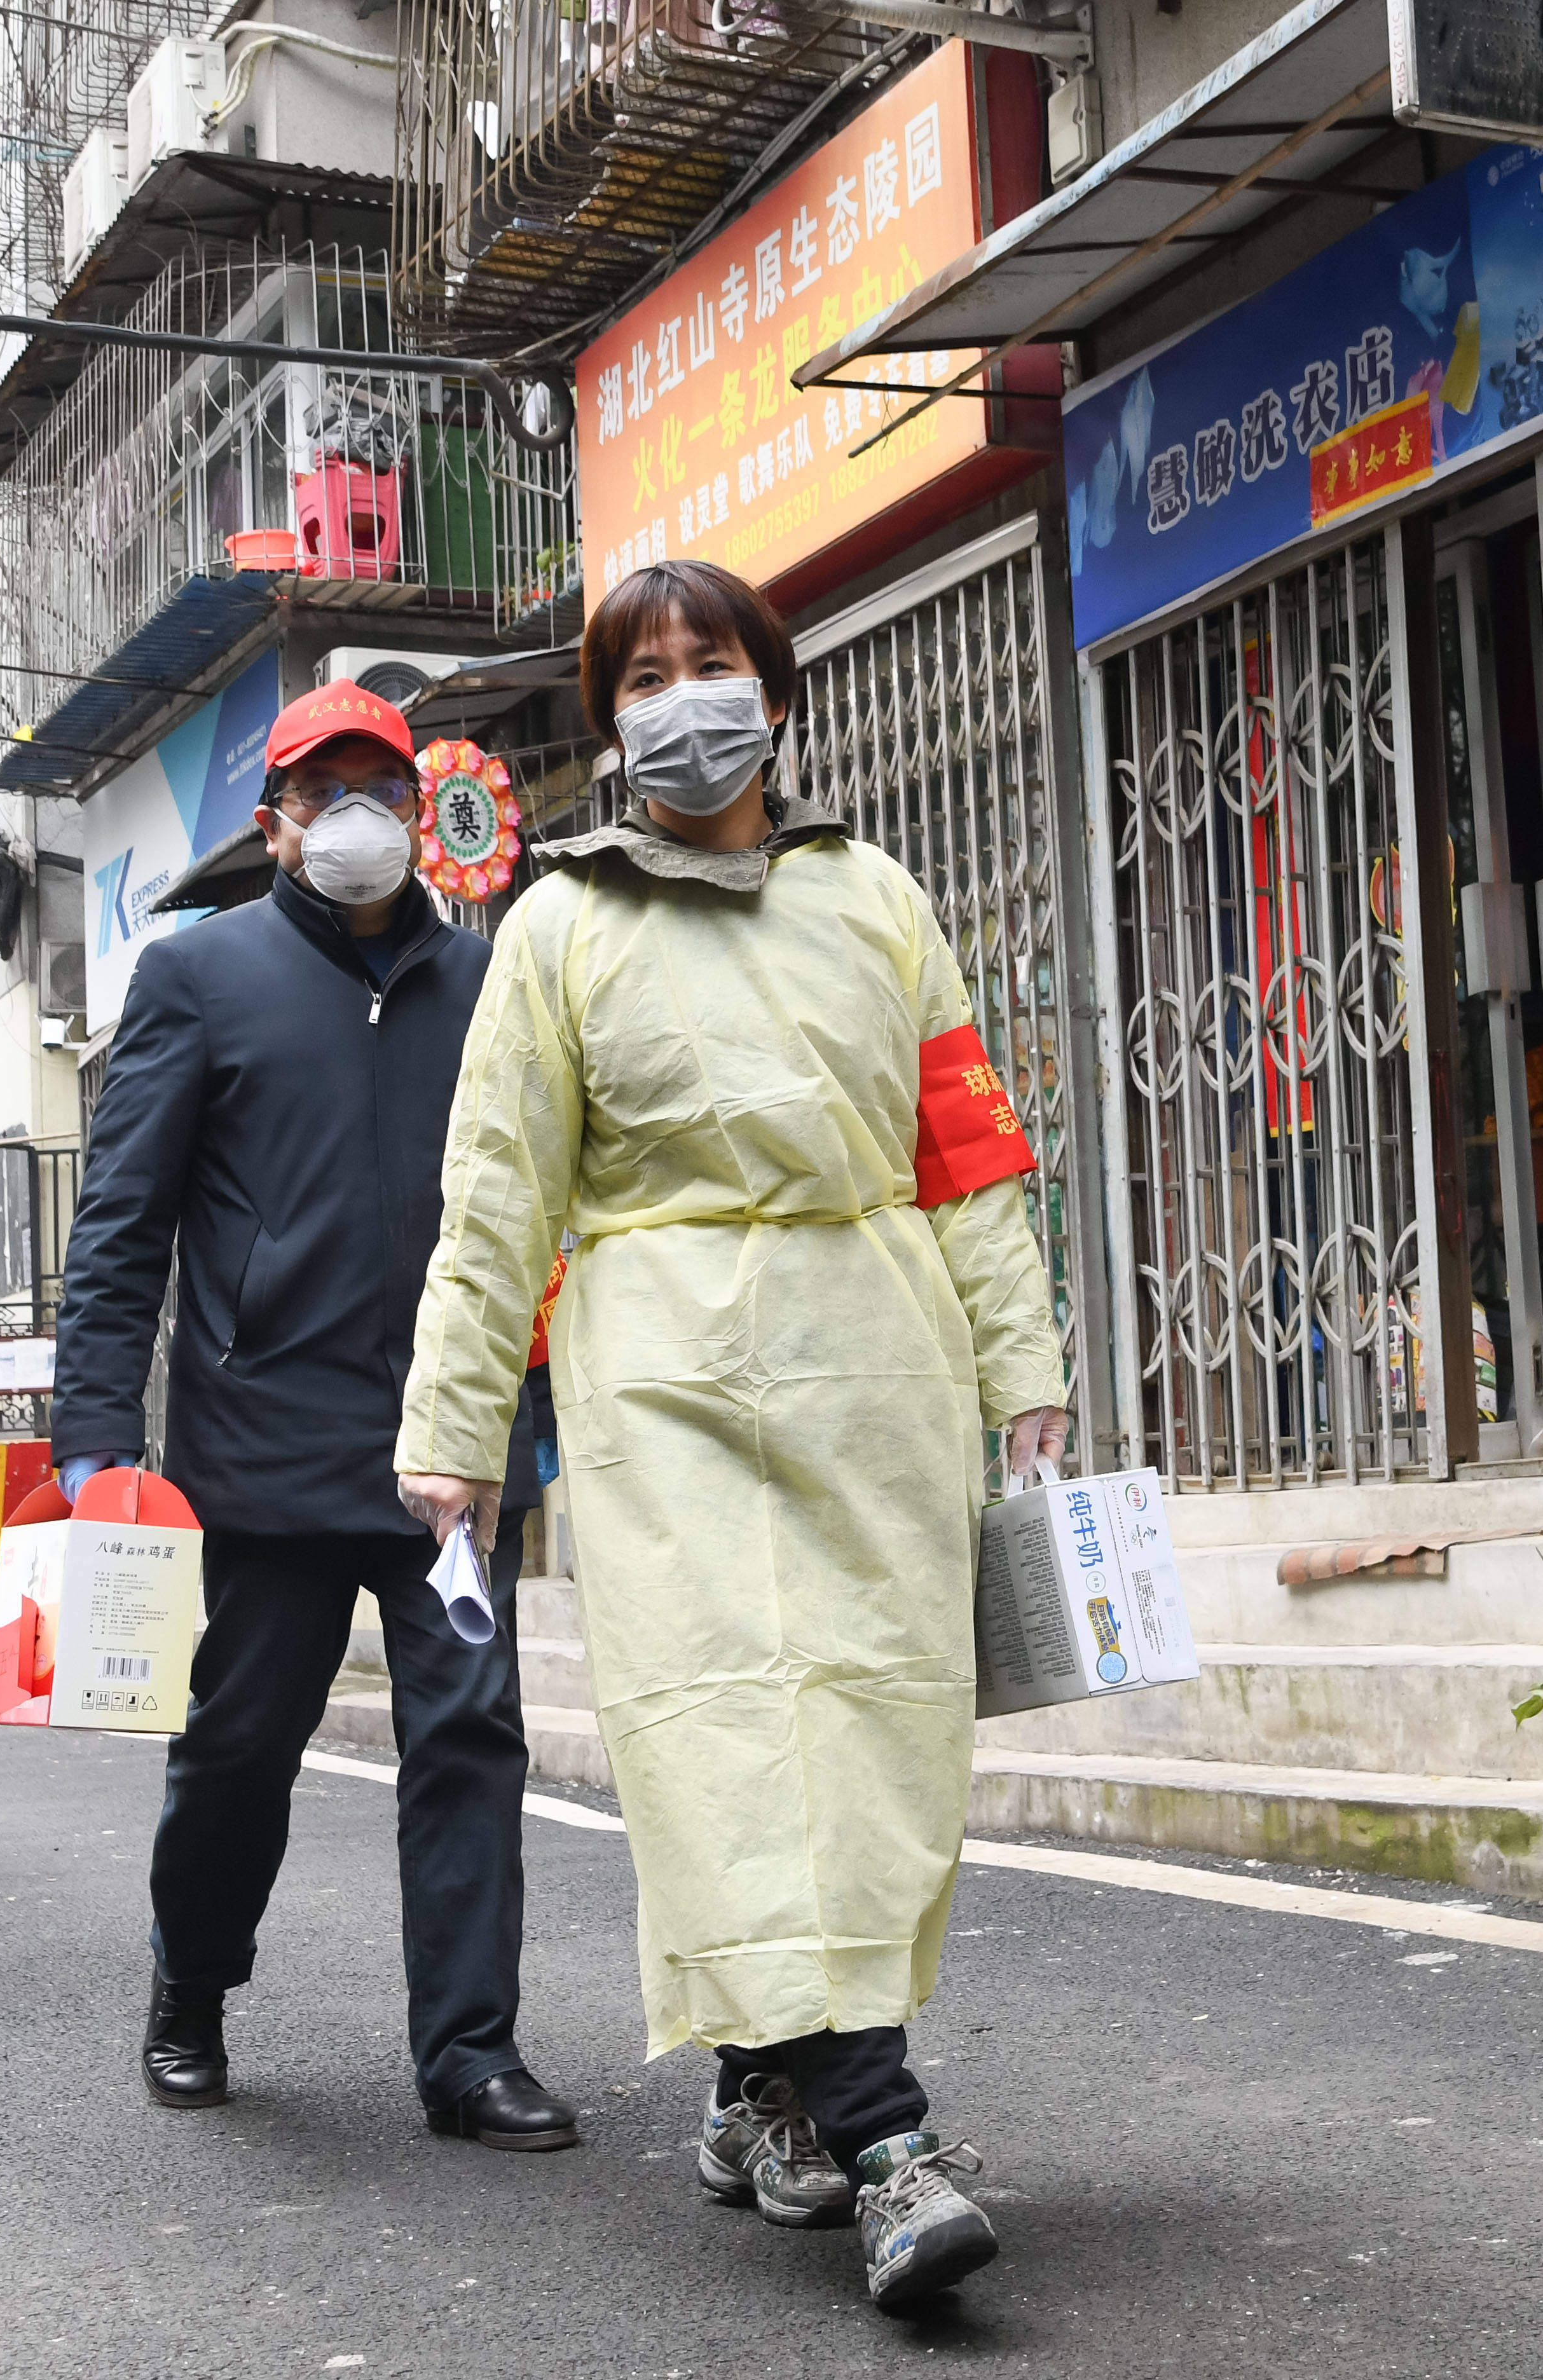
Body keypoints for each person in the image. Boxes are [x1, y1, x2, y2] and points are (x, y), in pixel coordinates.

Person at [393, 558, 1071, 2310]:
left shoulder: (876, 900)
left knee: (868, 1743)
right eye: (641, 675)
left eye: (710, 664)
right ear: (604, 721)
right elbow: (496, 1200)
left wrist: (1026, 1374)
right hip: (661, 1382)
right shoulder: (550, 929)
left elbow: (967, 1160)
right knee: (731, 1741)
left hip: (877, 1364)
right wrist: (454, 1430)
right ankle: (887, 2139)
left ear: (774, 694)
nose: (678, 698)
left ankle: (754, 2085)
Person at [54, 680, 573, 2153]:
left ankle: (468, 2049)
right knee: (237, 1741)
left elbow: (539, 1207)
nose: (355, 815)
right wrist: (93, 1434)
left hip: (454, 1448)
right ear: (272, 821)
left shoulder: (485, 984)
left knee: (469, 1737)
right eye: (320, 788)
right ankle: (192, 1980)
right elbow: (120, 1223)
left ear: (423, 813)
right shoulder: (197, 976)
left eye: (380, 789)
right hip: (261, 1449)